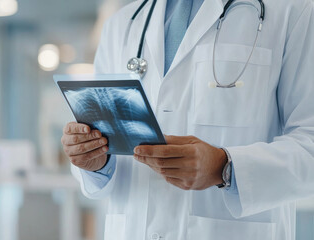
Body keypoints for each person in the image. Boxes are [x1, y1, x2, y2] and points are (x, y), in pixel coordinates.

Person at [61, 0, 314, 239]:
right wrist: (95, 161)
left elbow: (309, 143)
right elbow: (105, 139)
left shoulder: (293, 10)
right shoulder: (123, 24)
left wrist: (225, 167)